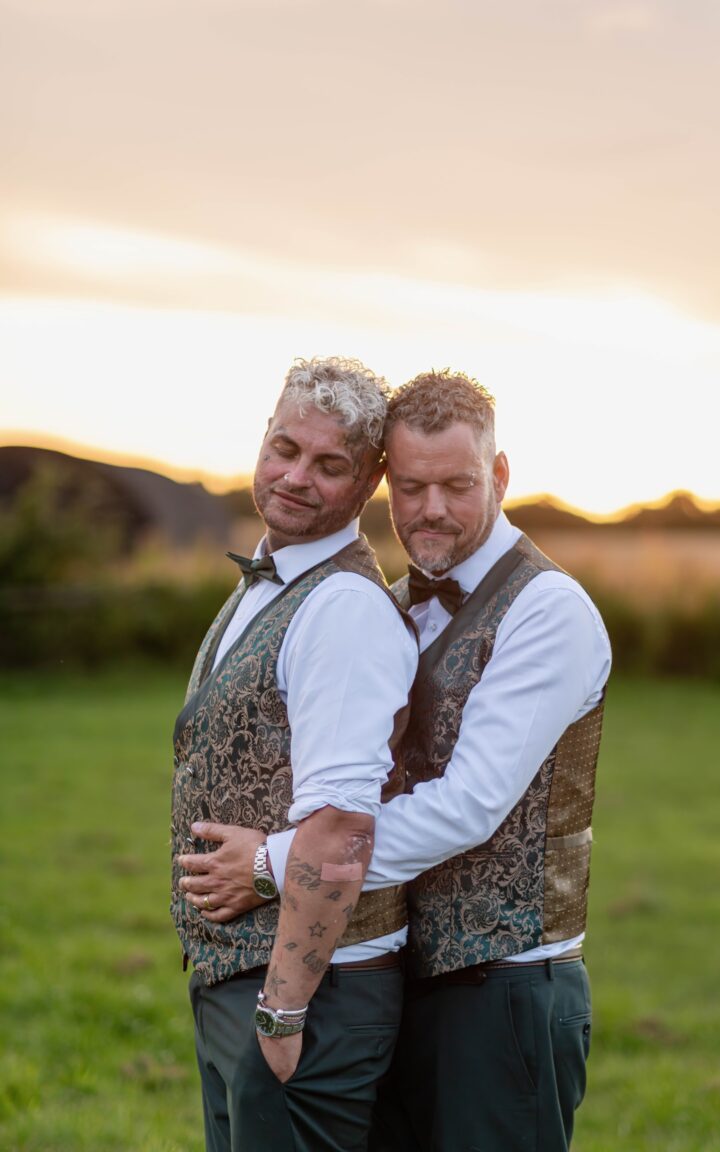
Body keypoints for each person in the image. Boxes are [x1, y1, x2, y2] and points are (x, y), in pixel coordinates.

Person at [184, 369, 611, 1152]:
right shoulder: (404, 598)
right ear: (388, 485)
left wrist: (283, 861)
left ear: (501, 475)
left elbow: (471, 803)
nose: (433, 509)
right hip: (411, 977)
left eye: (458, 484)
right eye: (412, 488)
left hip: (507, 985)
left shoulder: (549, 611)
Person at [170, 356, 418, 1152]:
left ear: (370, 480)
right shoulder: (268, 578)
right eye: (285, 448)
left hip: (305, 996)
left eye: (330, 464)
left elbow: (344, 827)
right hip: (242, 983)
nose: (296, 477)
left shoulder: (342, 607)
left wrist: (279, 1016)